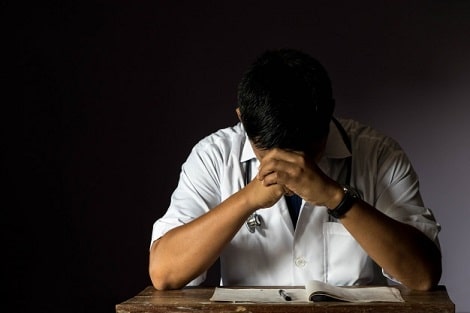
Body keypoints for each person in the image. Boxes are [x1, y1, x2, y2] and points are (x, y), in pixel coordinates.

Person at [149, 49, 442, 291]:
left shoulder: (379, 154)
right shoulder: (213, 157)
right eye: (270, 154)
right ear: (242, 119)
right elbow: (164, 272)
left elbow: (423, 276)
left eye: (307, 153)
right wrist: (249, 199)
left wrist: (336, 198)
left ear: (329, 113)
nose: (293, 168)